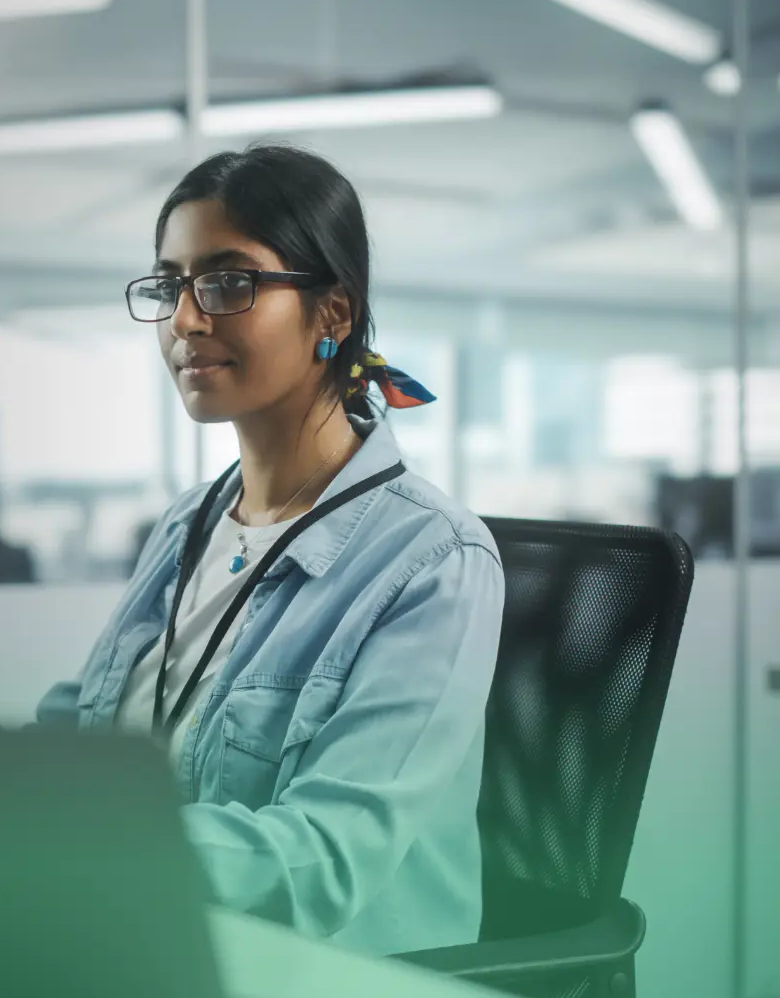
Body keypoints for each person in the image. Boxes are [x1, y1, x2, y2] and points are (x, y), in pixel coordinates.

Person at [35, 145, 504, 957]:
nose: (185, 318)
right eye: (170, 285)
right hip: (158, 944)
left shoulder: (436, 562)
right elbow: (77, 738)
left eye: (226, 282)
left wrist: (96, 855)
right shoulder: (190, 524)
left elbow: (324, 860)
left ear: (333, 313)